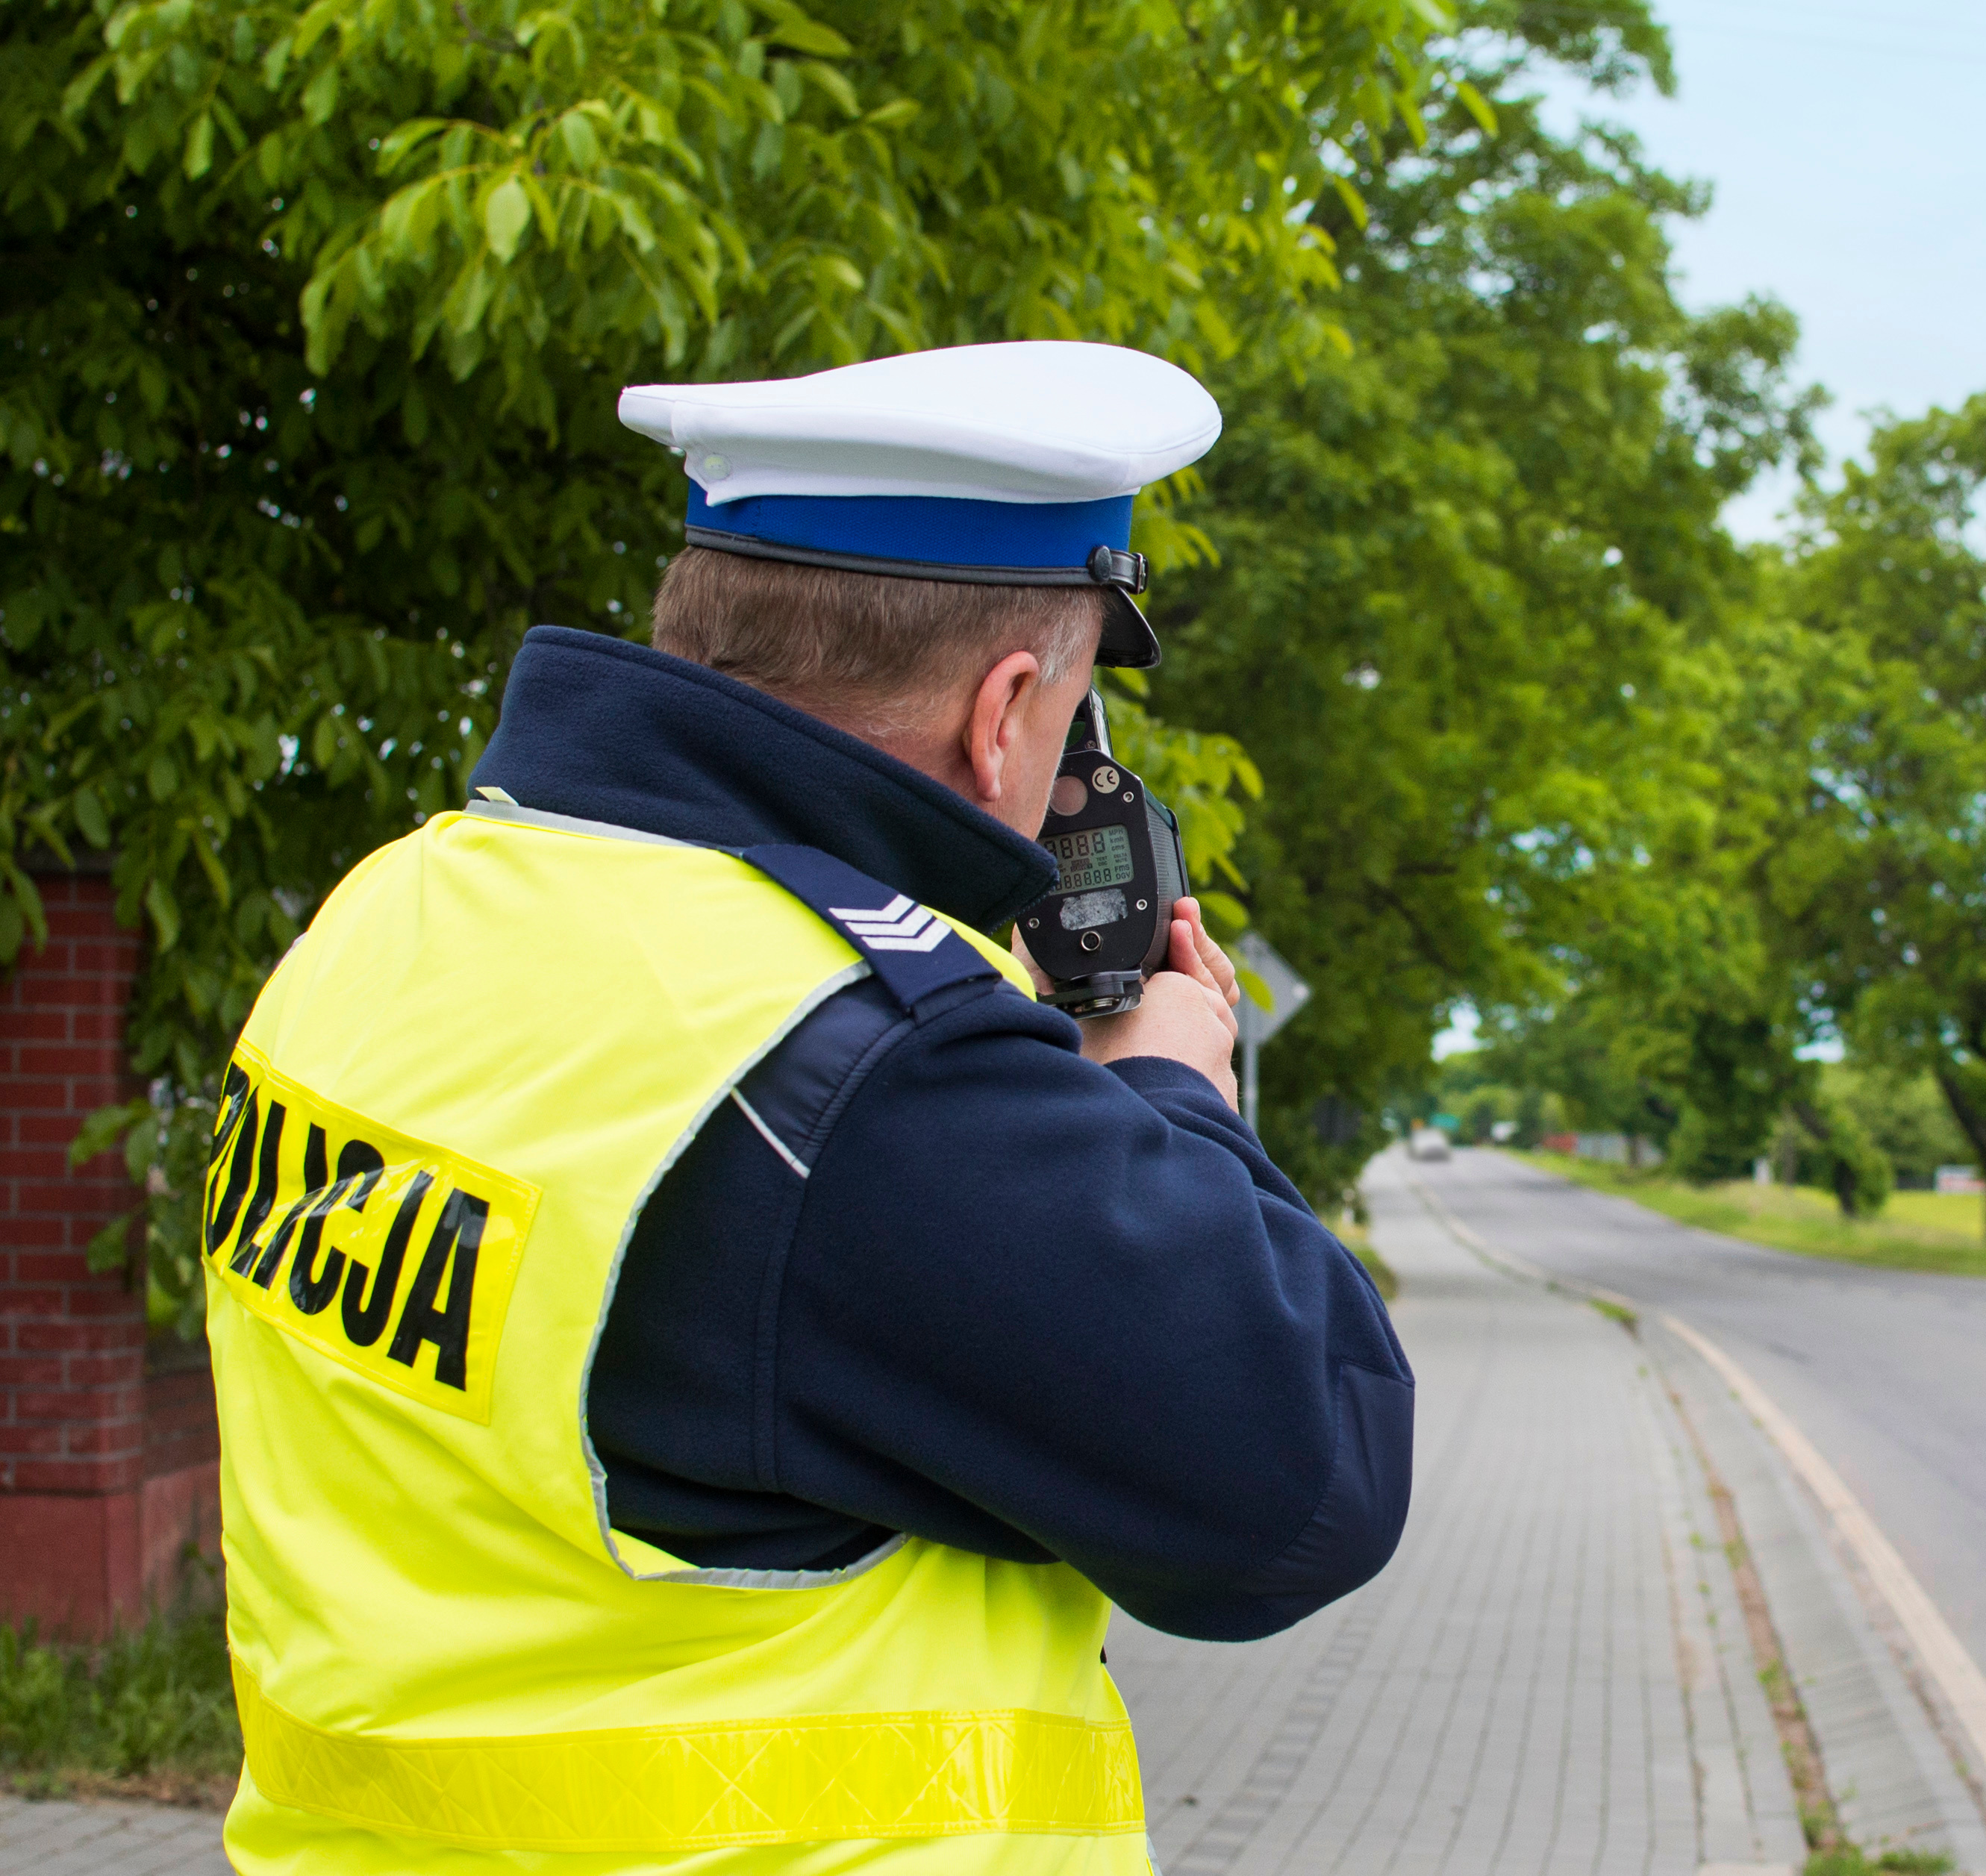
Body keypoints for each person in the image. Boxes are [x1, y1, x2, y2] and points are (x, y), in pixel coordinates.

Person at [199, 342, 1414, 1876]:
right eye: (1074, 718)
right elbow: (1300, 1487)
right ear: (1006, 709)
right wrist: (1167, 1086)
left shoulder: (398, 909)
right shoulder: (859, 1068)